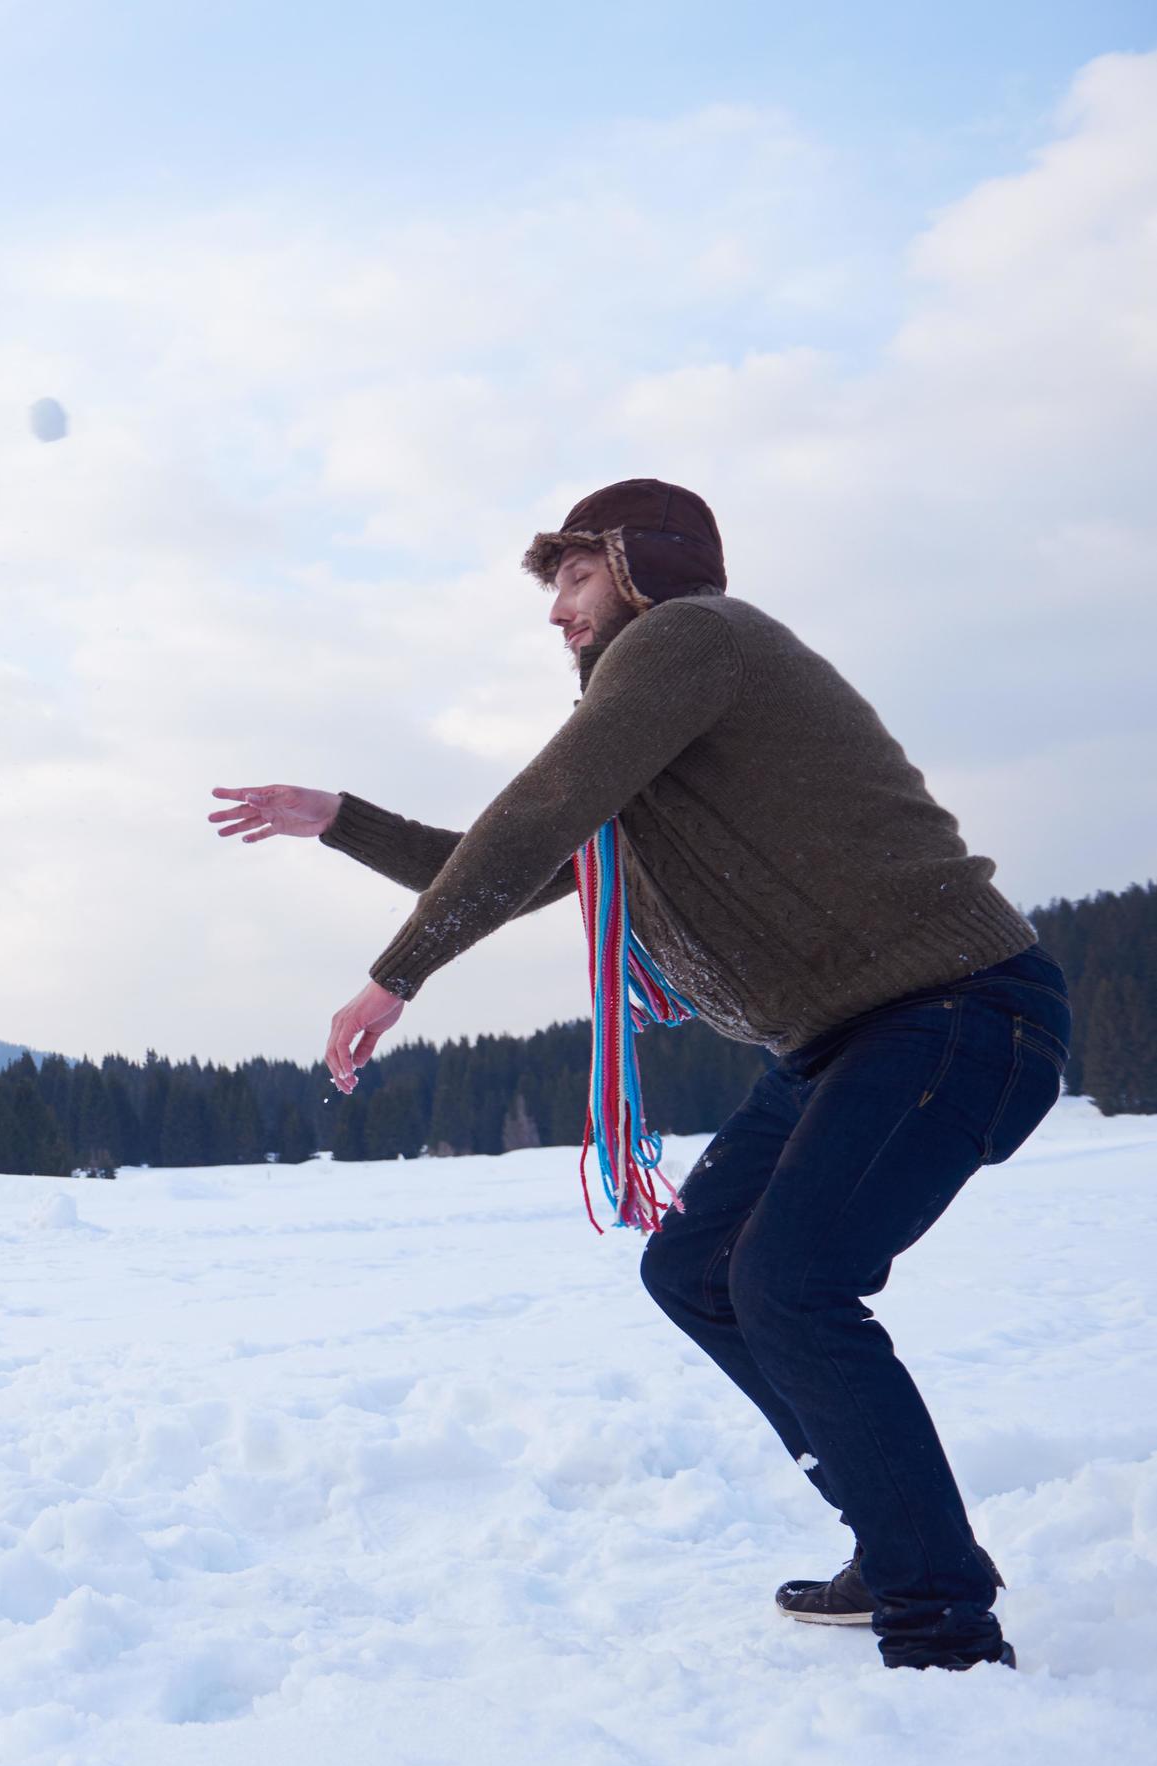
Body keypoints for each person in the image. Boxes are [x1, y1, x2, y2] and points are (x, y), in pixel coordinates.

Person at [211, 479, 1067, 1672]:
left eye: (571, 574)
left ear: (641, 561)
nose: (554, 610)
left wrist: (396, 976)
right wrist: (340, 816)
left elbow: (542, 805)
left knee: (788, 1279)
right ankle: (904, 1536)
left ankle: (942, 1626)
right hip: (844, 1042)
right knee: (701, 1269)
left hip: (956, 1010)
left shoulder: (691, 640)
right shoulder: (658, 733)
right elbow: (511, 856)